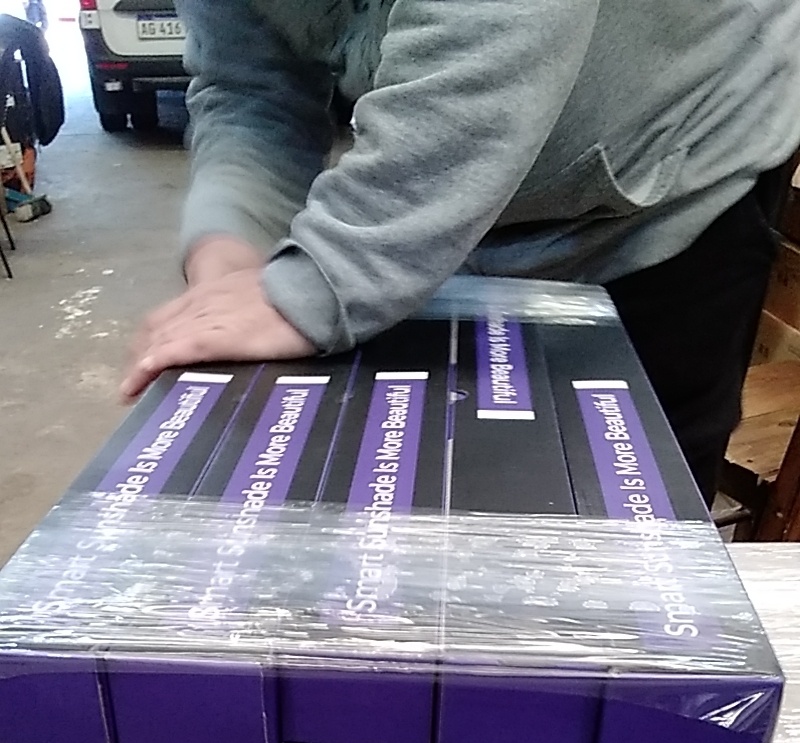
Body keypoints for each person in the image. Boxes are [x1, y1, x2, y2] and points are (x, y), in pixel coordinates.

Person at [122, 0, 800, 504]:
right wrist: (232, 249)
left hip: (668, 168)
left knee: (626, 513)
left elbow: (503, 24)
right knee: (438, 492)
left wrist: (328, 279)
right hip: (441, 203)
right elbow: (249, 83)